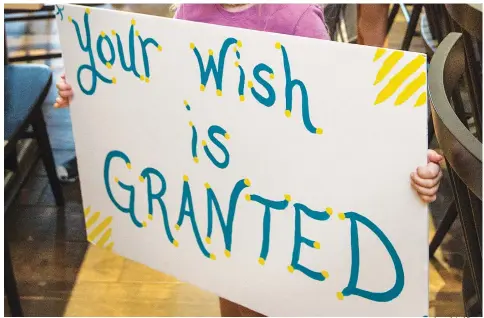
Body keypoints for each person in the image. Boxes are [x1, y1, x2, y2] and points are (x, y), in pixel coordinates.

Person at [55, 4, 443, 316]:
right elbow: (162, 96)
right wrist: (94, 89)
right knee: (233, 296)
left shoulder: (296, 19)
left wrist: (399, 157)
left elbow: (339, 114)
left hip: (289, 212)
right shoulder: (191, 13)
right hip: (225, 206)